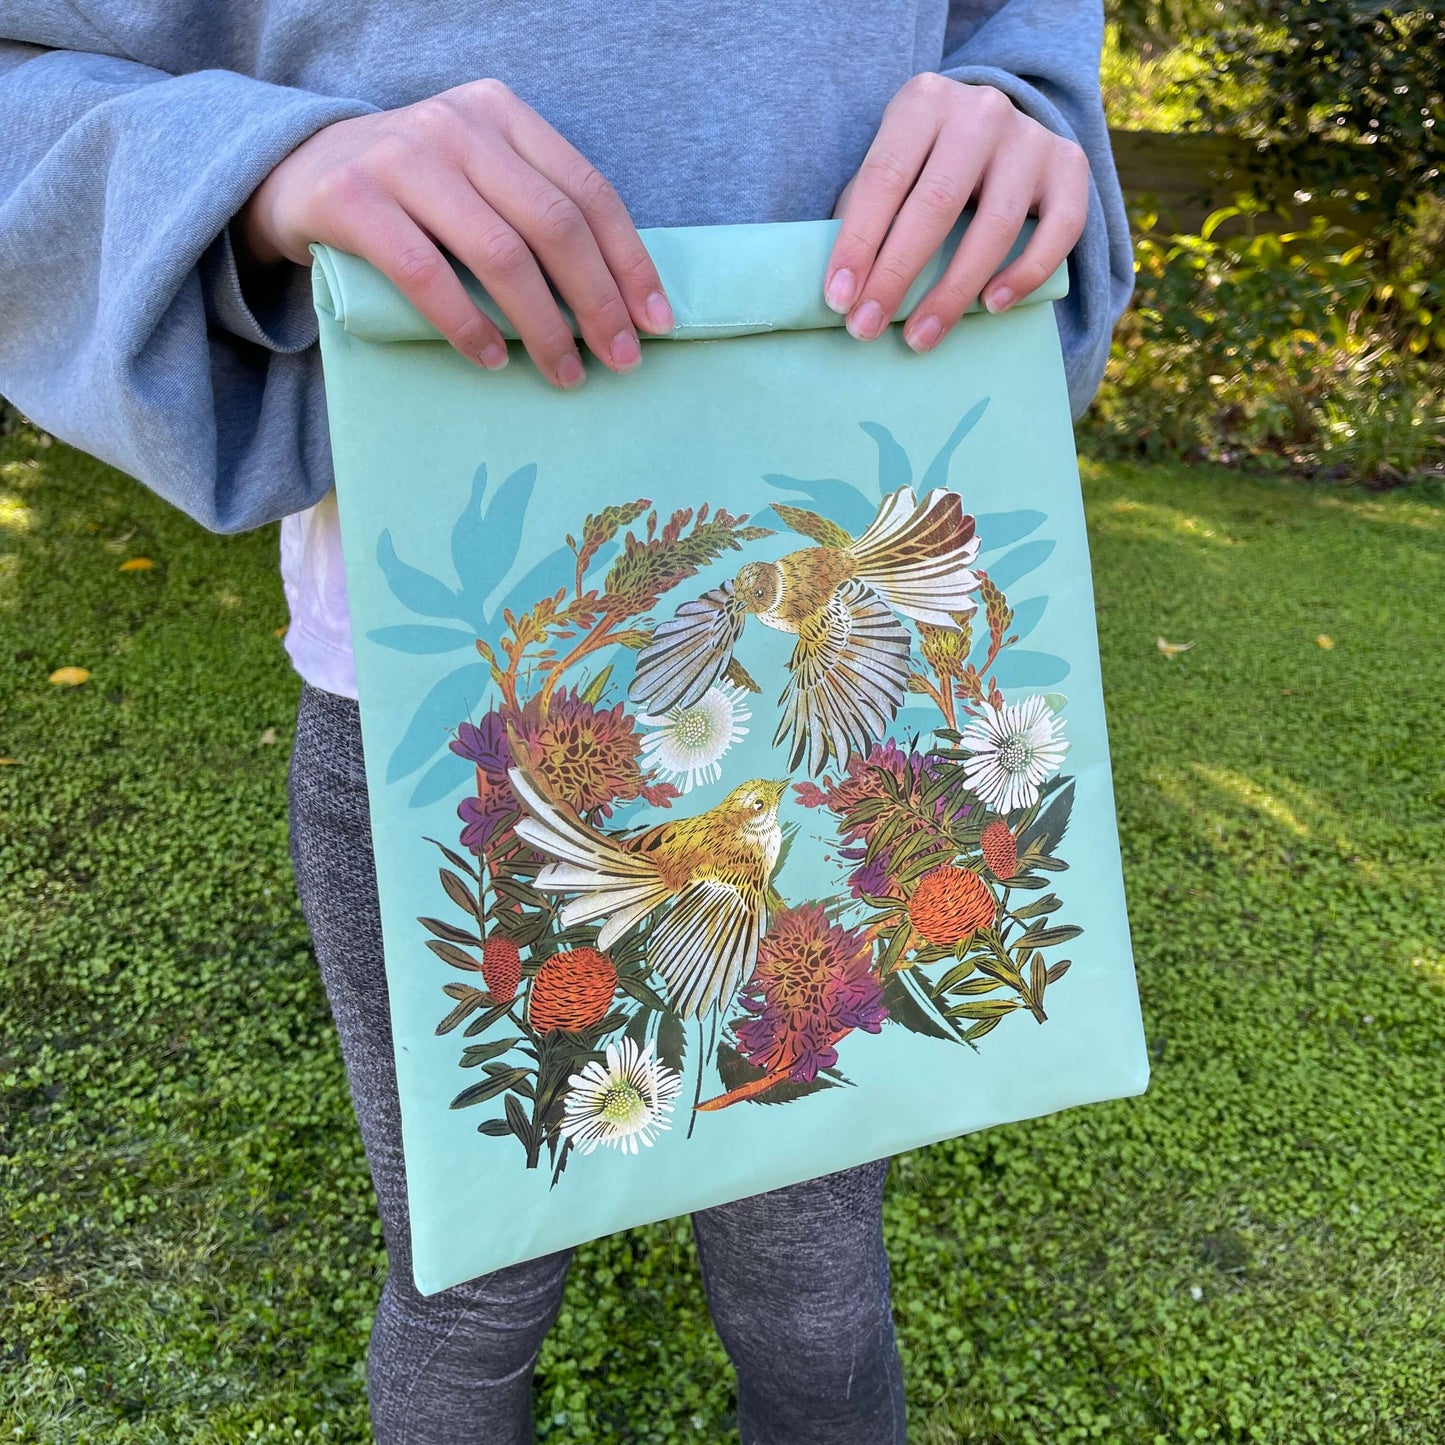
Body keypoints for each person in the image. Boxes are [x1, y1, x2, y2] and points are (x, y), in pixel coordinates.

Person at [0, 4, 1133, 1441]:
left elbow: (1022, 31)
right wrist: (256, 171)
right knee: (472, 1284)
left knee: (814, 1279)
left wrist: (1017, 109)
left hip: (843, 708)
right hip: (446, 722)